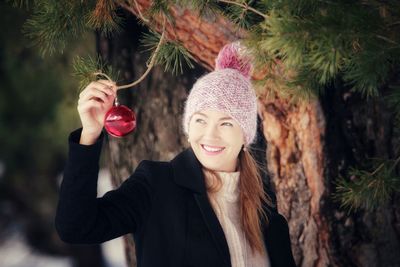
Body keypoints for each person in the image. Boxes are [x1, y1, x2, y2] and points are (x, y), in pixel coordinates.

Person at [55, 42, 296, 267]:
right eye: (200, 120)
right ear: (188, 128)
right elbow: (76, 226)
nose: (210, 135)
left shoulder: (267, 212)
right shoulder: (156, 185)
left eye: (226, 124)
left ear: (245, 136)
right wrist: (89, 135)